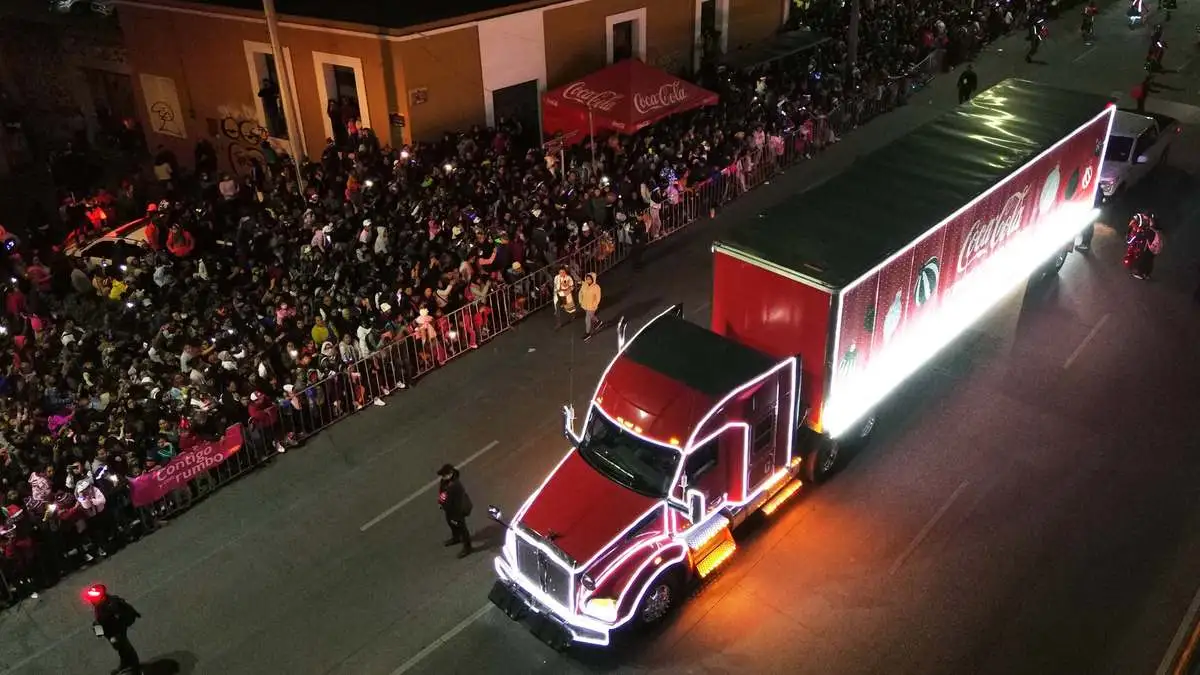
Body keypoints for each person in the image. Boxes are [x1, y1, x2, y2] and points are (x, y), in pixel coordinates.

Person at [84, 584, 141, 674]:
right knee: (120, 647)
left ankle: (135, 667)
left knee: (123, 645)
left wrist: (117, 632)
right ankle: (126, 663)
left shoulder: (111, 604)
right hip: (110, 628)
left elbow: (122, 615)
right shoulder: (100, 605)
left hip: (117, 627)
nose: (91, 601)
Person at [437, 464, 473, 558]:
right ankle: (456, 537)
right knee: (450, 522)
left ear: (451, 474)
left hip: (457, 510)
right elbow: (442, 493)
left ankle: (467, 547)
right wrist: (441, 503)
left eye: (445, 475)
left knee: (462, 528)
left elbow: (457, 499)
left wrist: (456, 511)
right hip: (449, 509)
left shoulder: (456, 485)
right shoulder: (444, 482)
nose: (443, 477)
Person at [578, 273, 603, 341]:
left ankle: (587, 333)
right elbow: (580, 293)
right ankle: (598, 322)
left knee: (587, 319)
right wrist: (580, 301)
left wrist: (594, 305)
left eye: (589, 279)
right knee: (591, 316)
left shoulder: (596, 287)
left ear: (593, 279)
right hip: (585, 305)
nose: (588, 280)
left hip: (591, 306)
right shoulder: (584, 285)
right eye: (587, 279)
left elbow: (598, 298)